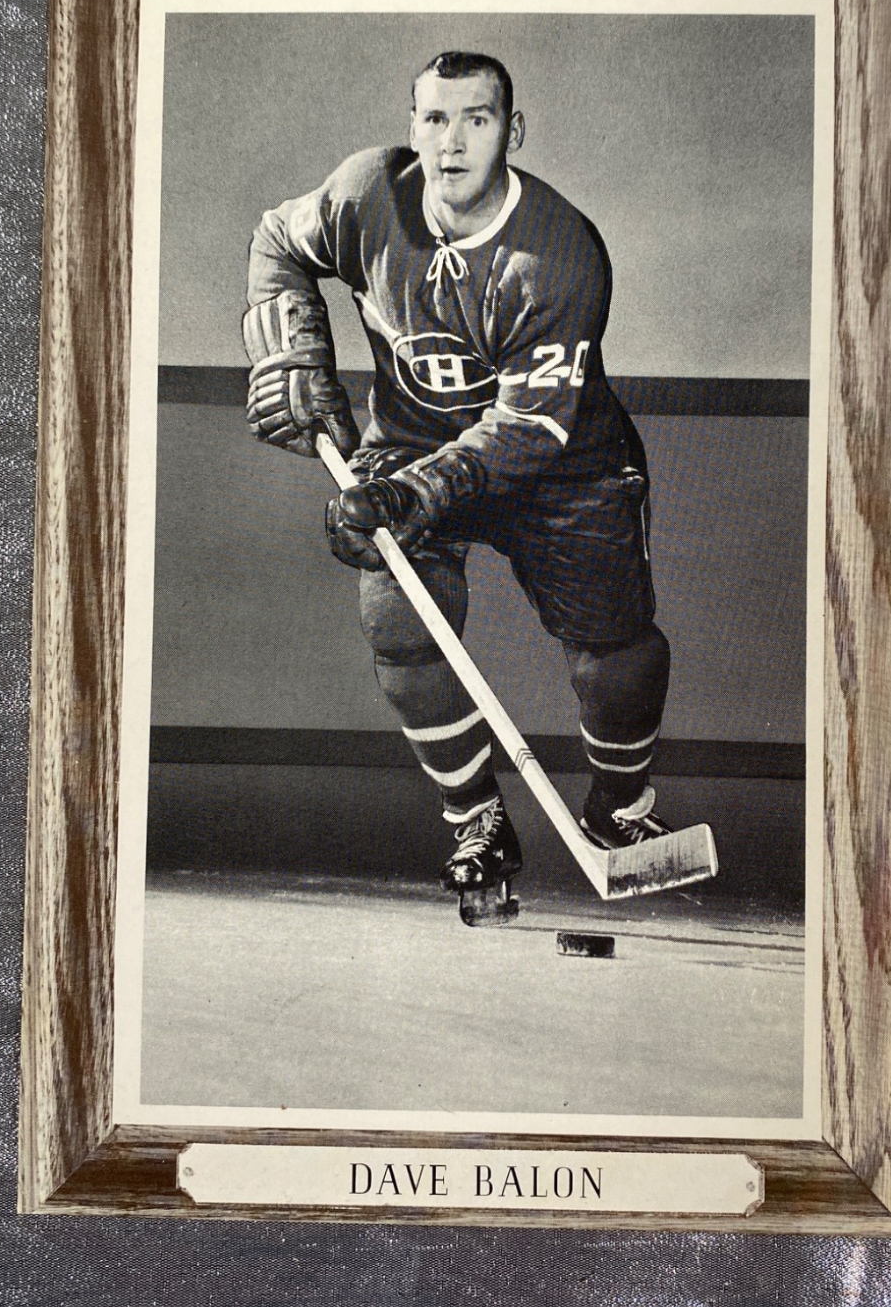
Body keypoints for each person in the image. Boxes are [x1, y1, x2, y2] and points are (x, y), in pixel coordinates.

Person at [244, 50, 677, 924]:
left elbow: (523, 432)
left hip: (559, 459)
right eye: (436, 119)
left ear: (511, 133)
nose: (452, 142)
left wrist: (411, 495)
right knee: (400, 632)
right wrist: (294, 351)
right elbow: (278, 241)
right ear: (412, 129)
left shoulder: (557, 253)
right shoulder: (365, 196)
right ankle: (476, 819)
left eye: (476, 120)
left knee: (618, 649)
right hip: (413, 442)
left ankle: (619, 810)